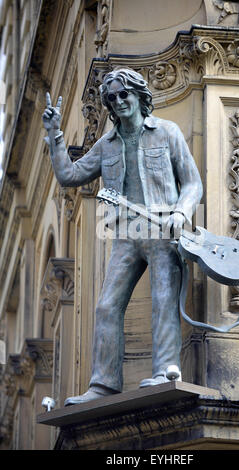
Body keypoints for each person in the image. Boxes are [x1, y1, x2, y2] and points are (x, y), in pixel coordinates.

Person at [42, 68, 203, 405]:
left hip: (162, 231)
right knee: (106, 306)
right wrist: (55, 136)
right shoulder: (107, 144)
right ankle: (103, 384)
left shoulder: (167, 133)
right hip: (127, 234)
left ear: (139, 96)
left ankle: (165, 370)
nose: (118, 102)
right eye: (112, 98)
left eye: (123, 94)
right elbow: (70, 175)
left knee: (162, 300)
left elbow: (192, 183)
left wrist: (180, 213)